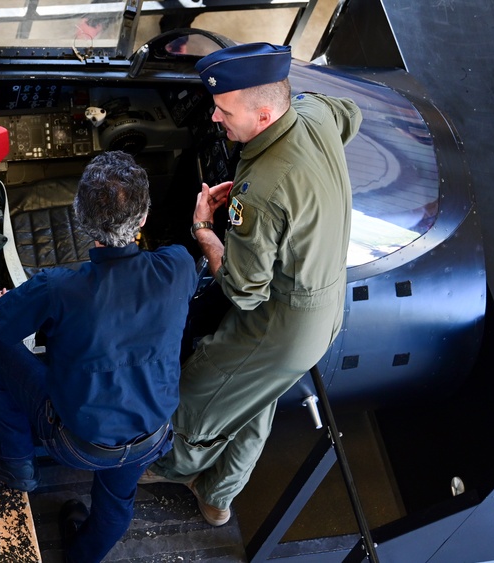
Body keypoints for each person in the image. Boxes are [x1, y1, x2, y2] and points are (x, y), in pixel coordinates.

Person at [143, 42, 362, 527]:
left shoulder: (260, 193)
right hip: (324, 312)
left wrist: (204, 230)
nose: (216, 119)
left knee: (202, 395)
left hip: (275, 324)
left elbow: (243, 291)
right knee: (253, 399)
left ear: (264, 116)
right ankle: (219, 497)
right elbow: (351, 115)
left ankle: (169, 467)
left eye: (224, 111)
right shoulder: (312, 114)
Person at [0, 150, 199, 563]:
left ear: (81, 218)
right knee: (116, 507)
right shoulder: (177, 266)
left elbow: (1, 322)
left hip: (78, 443)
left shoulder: (58, 288)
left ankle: (16, 465)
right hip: (151, 437)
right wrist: (205, 225)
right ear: (142, 218)